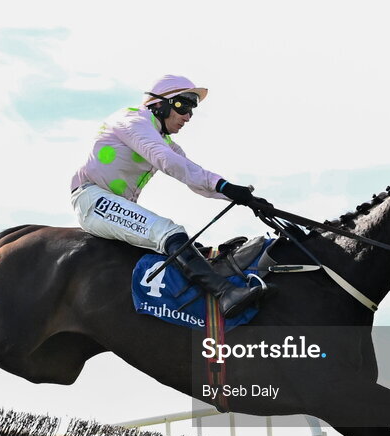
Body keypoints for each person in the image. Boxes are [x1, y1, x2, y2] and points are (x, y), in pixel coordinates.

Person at [69, 75, 271, 318]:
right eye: (183, 106)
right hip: (92, 200)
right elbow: (168, 162)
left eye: (192, 109)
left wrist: (241, 197)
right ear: (159, 104)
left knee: (189, 247)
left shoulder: (163, 140)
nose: (188, 116)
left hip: (114, 204)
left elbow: (195, 175)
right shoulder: (133, 119)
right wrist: (226, 187)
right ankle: (224, 293)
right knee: (169, 232)